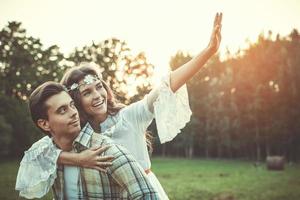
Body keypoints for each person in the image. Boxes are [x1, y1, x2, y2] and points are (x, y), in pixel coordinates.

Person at [16, 12, 223, 199]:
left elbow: (166, 86)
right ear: (76, 101)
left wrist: (208, 52)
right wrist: (78, 159)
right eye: (87, 92)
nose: (98, 96)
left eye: (99, 87)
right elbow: (43, 153)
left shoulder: (129, 117)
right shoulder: (78, 132)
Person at [16, 81, 159, 199]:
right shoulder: (48, 152)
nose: (73, 113)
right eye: (62, 110)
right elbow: (31, 157)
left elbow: (149, 195)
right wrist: (77, 159)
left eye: (72, 105)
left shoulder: (105, 151)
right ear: (44, 124)